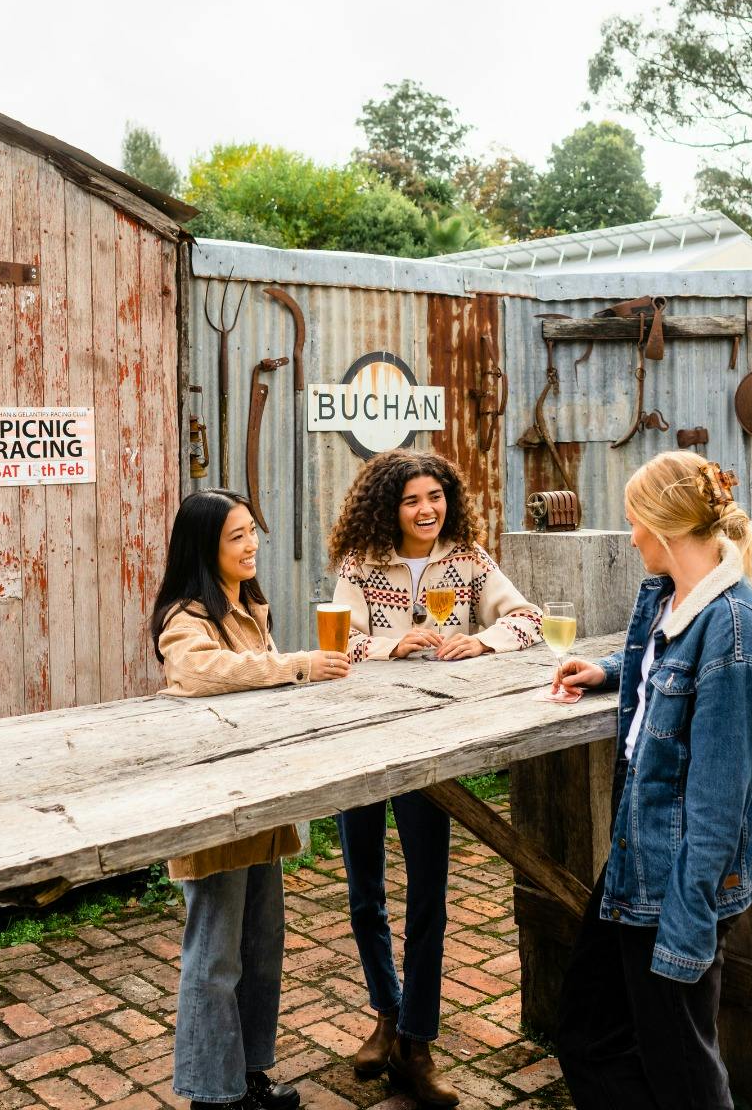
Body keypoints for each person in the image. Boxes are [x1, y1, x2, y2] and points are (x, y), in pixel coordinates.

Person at [549, 451, 752, 1110]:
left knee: (681, 1068)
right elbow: (668, 671)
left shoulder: (737, 633)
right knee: (589, 1032)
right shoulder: (671, 598)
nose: (629, 538)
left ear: (663, 525)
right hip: (635, 855)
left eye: (634, 523)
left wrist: (686, 933)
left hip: (679, 881)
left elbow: (718, 810)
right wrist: (608, 670)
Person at [325, 449, 541, 1107]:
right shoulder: (360, 566)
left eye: (435, 497)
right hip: (358, 742)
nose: (426, 510)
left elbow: (525, 618)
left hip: (429, 747)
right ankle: (386, 1015)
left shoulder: (470, 561)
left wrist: (481, 641)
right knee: (365, 893)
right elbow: (336, 642)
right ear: (388, 506)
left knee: (428, 898)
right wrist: (396, 643)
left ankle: (416, 1046)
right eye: (412, 500)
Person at [151, 489, 350, 1110]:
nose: (251, 544)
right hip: (214, 807)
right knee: (214, 956)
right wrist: (294, 665)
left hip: (261, 801)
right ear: (205, 546)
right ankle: (213, 1094)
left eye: (251, 532)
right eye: (236, 536)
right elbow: (200, 673)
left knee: (262, 946)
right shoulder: (186, 616)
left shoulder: (249, 605)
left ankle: (247, 1075)